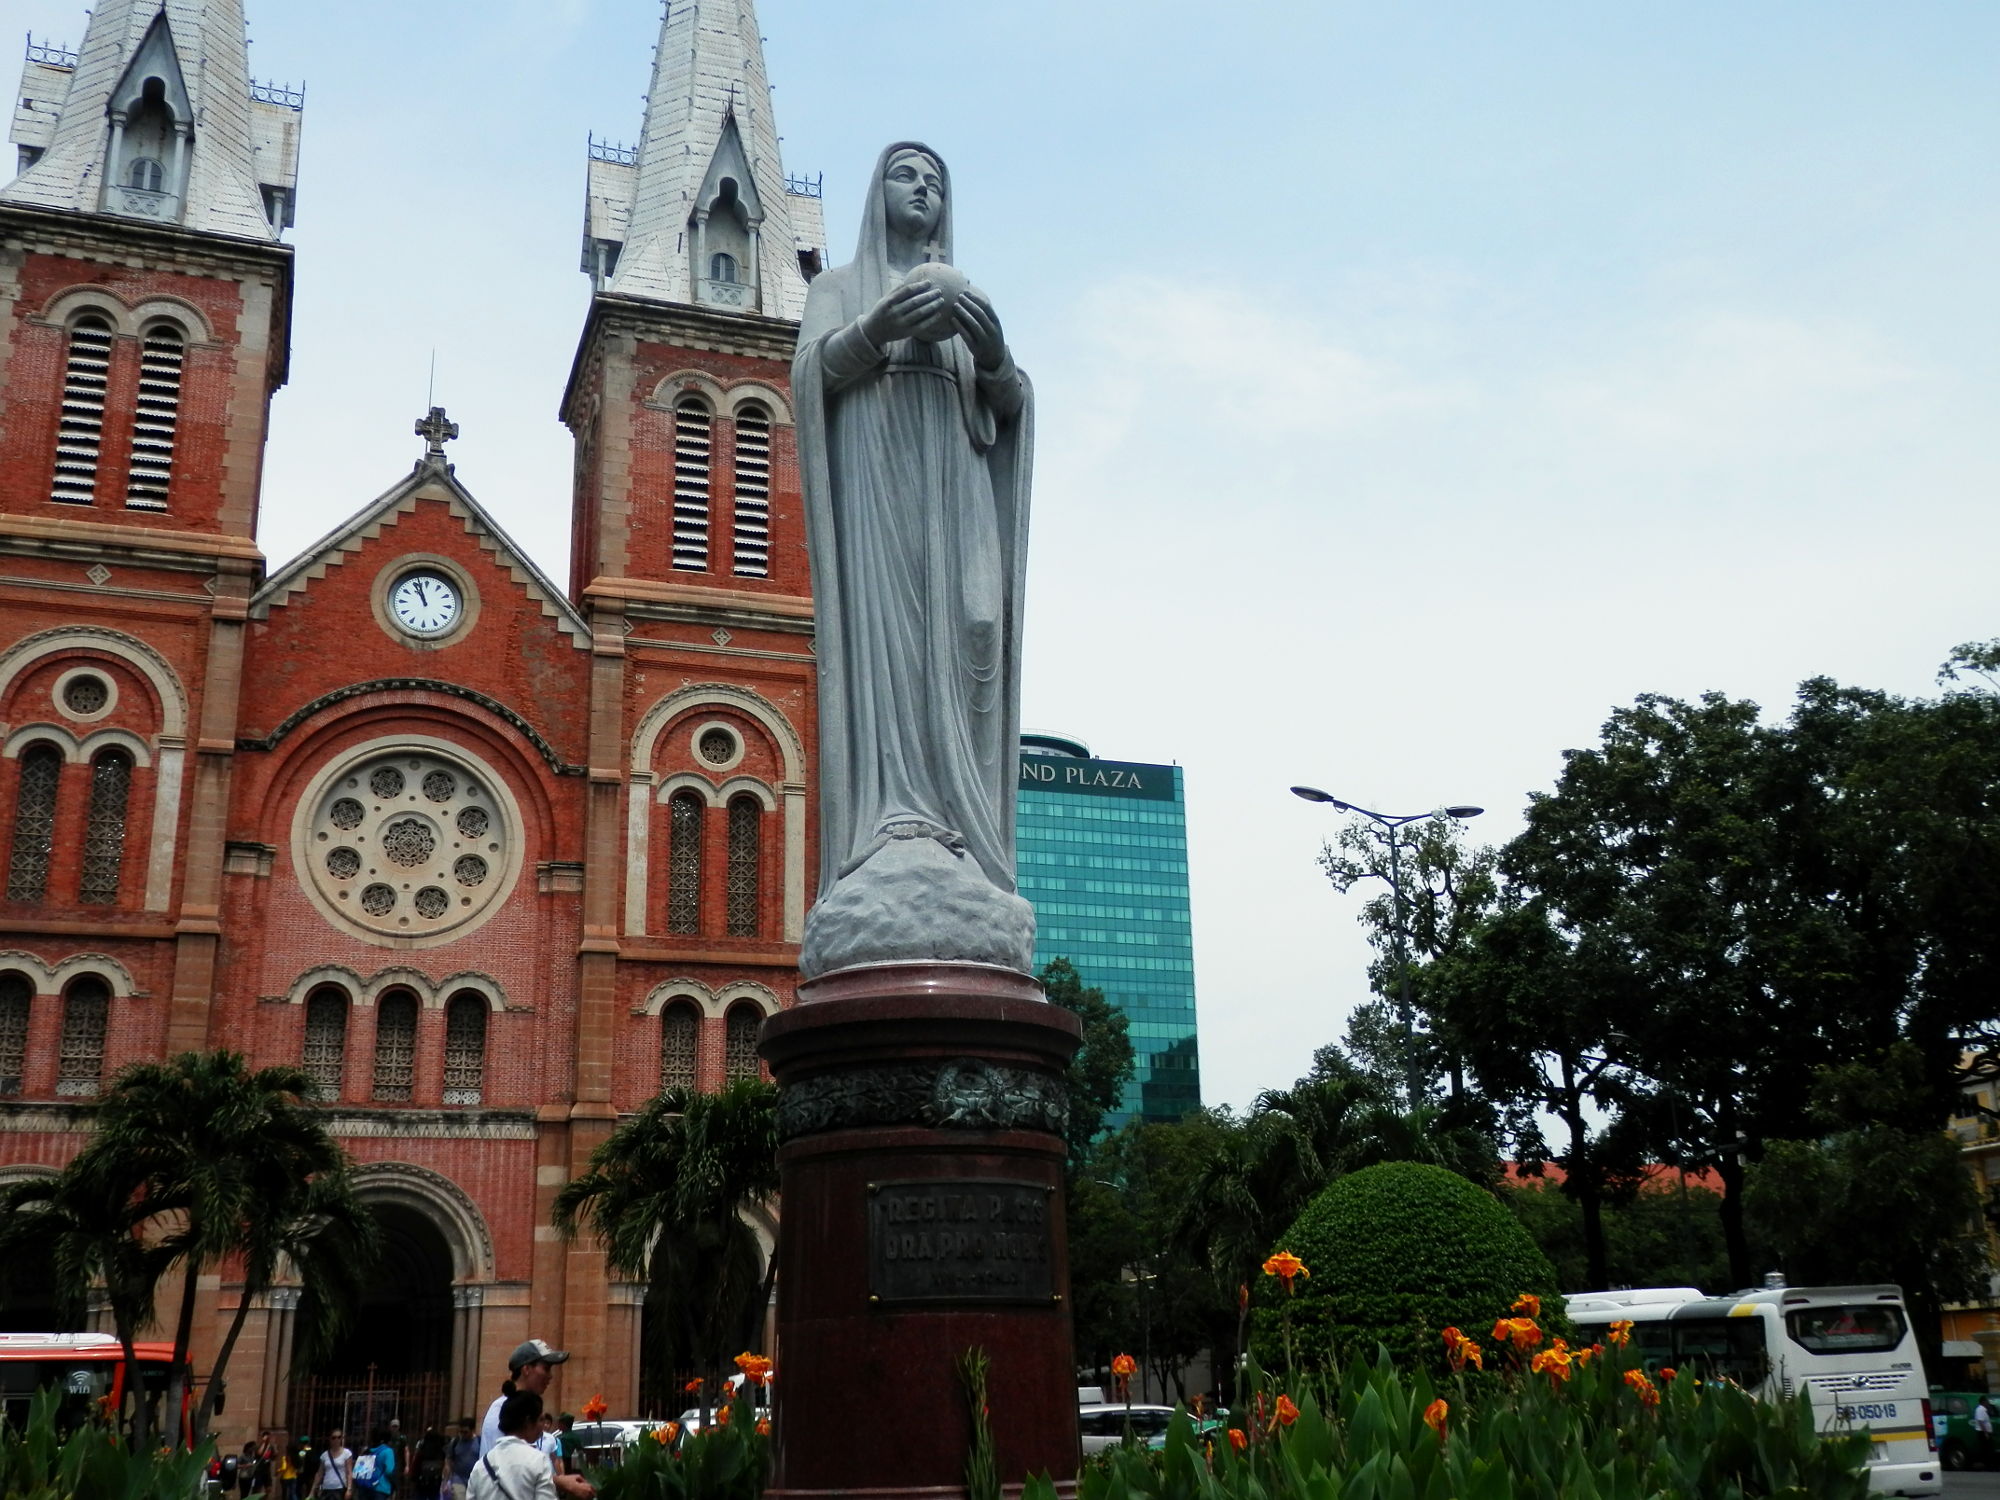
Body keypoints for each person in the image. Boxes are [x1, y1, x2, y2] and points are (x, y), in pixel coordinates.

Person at [791, 141, 1034, 978]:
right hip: (881, 494)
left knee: (976, 628)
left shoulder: (968, 299)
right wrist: (878, 328)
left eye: (936, 180)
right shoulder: (838, 289)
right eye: (906, 174)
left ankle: (963, 833)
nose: (922, 188)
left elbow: (1012, 404)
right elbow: (810, 377)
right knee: (894, 648)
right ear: (876, 193)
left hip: (956, 490)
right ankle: (896, 823)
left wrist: (996, 355)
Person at [478, 1340, 589, 1500]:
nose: (550, 1376)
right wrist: (561, 1482)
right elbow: (508, 1472)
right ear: (527, 1369)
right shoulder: (501, 1411)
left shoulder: (524, 1410)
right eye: (546, 1368)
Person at [350, 1425, 396, 1500]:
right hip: (381, 1488)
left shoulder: (367, 1451)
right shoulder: (388, 1451)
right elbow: (389, 1471)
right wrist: (394, 1484)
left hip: (364, 1487)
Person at [314, 1429, 354, 1500]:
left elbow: (349, 1472)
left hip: (339, 1488)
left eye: (339, 1437)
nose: (336, 1440)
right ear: (330, 1439)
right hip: (326, 1487)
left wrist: (349, 1489)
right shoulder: (325, 1455)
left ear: (342, 1438)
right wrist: (315, 1488)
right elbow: (320, 1473)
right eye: (334, 1437)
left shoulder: (346, 1453)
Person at [446, 1418, 480, 1500]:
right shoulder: (455, 1442)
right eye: (460, 1432)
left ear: (473, 1430)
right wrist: (446, 1480)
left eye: (465, 1432)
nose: (462, 1434)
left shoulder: (479, 1442)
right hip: (458, 1479)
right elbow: (449, 1461)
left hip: (475, 1480)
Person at [413, 1422, 447, 1500]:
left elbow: (416, 1464)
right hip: (436, 1481)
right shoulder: (441, 1450)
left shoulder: (423, 1448)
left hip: (422, 1481)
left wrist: (414, 1477)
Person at [1975, 1396, 1993, 1468]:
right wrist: (1985, 1433)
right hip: (1983, 1432)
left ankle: (1987, 1463)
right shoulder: (1980, 1410)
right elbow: (1980, 1421)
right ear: (1983, 1402)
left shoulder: (1983, 1409)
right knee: (1986, 1448)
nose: (1988, 1403)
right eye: (1986, 1401)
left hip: (1984, 1432)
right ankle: (1986, 1464)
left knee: (1987, 1448)